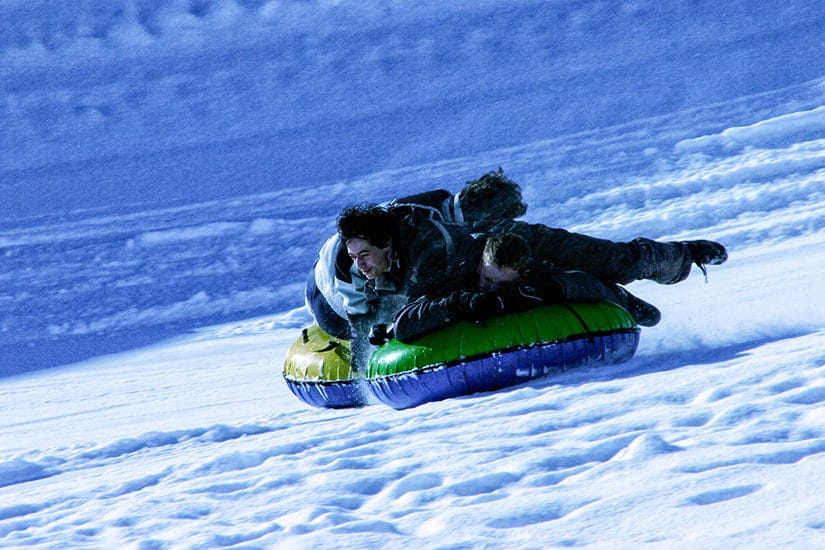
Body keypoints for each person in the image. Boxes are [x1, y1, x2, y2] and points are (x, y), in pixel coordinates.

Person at [391, 227, 728, 343]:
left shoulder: (534, 269)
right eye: (488, 281)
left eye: (500, 285)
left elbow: (578, 282)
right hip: (492, 249)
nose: (491, 289)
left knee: (618, 262)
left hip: (534, 243)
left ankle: (685, 255)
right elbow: (408, 319)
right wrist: (460, 303)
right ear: (480, 266)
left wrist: (540, 291)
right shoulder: (449, 269)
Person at [305, 169, 526, 340]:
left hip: (356, 267)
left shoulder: (437, 210)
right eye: (496, 221)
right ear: (482, 215)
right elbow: (364, 310)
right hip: (326, 295)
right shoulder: (426, 229)